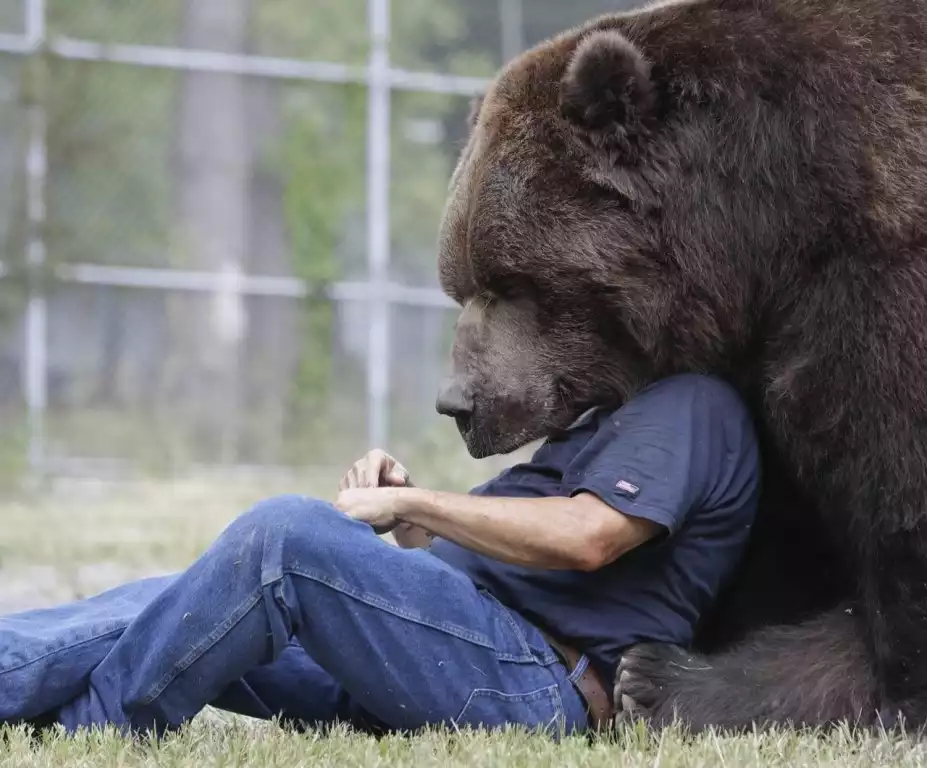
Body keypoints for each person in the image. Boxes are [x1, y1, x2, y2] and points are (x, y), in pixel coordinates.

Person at [0, 374, 759, 737]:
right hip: (457, 653)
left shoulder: (689, 404)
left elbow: (589, 539)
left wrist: (414, 505)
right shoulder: (612, 419)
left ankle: (93, 734)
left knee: (283, 541)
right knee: (183, 598)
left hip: (531, 683)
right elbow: (496, 561)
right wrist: (414, 524)